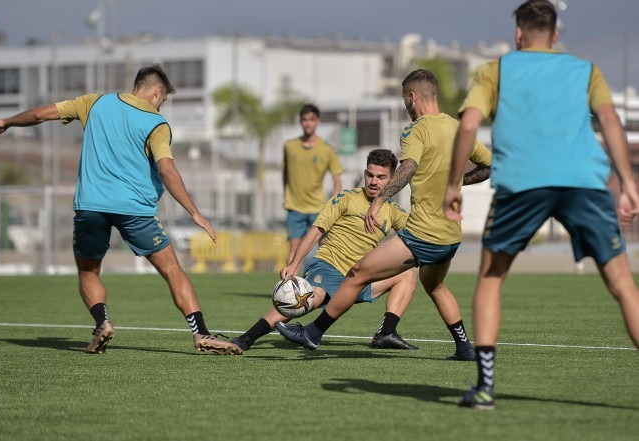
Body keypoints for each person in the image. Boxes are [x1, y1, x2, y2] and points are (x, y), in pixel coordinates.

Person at [444, 0, 639, 410]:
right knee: (623, 285)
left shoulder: (495, 70)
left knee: (492, 278)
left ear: (518, 33)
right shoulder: (586, 70)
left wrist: (452, 185)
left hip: (522, 185)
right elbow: (610, 121)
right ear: (555, 35)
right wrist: (627, 182)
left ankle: (484, 389)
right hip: (584, 183)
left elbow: (467, 124)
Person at [0, 64, 242, 356]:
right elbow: (166, 170)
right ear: (156, 91)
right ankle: (201, 333)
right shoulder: (156, 123)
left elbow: (40, 114)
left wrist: (7, 121)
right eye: (163, 99)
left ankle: (102, 323)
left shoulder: (94, 102)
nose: (161, 104)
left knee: (89, 271)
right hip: (135, 210)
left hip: (91, 206)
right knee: (171, 269)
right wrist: (194, 212)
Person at [276, 69, 492, 361]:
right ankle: (465, 348)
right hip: (451, 235)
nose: (406, 106)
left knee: (356, 273)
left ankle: (313, 333)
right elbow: (489, 166)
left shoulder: (416, 130)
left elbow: (407, 168)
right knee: (435, 286)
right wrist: (456, 182)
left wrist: (379, 202)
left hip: (423, 233)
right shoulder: (458, 129)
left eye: (405, 99)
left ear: (412, 97)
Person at [231, 149, 418, 352]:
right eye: (370, 175)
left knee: (407, 275)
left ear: (392, 180)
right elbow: (316, 231)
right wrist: (294, 263)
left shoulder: (394, 212)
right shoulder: (346, 197)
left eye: (381, 177)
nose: (374, 182)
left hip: (359, 276)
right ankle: (246, 339)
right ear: (364, 174)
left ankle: (386, 333)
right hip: (329, 266)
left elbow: (418, 238)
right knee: (309, 298)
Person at [283, 104, 344, 263]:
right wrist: (286, 196)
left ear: (317, 121)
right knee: (294, 250)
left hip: (318, 207)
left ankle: (324, 285)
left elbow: (337, 179)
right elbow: (285, 174)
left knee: (324, 249)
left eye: (311, 120)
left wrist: (333, 205)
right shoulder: (290, 146)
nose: (308, 123)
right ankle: (289, 287)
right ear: (300, 122)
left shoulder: (327, 149)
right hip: (295, 207)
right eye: (304, 120)